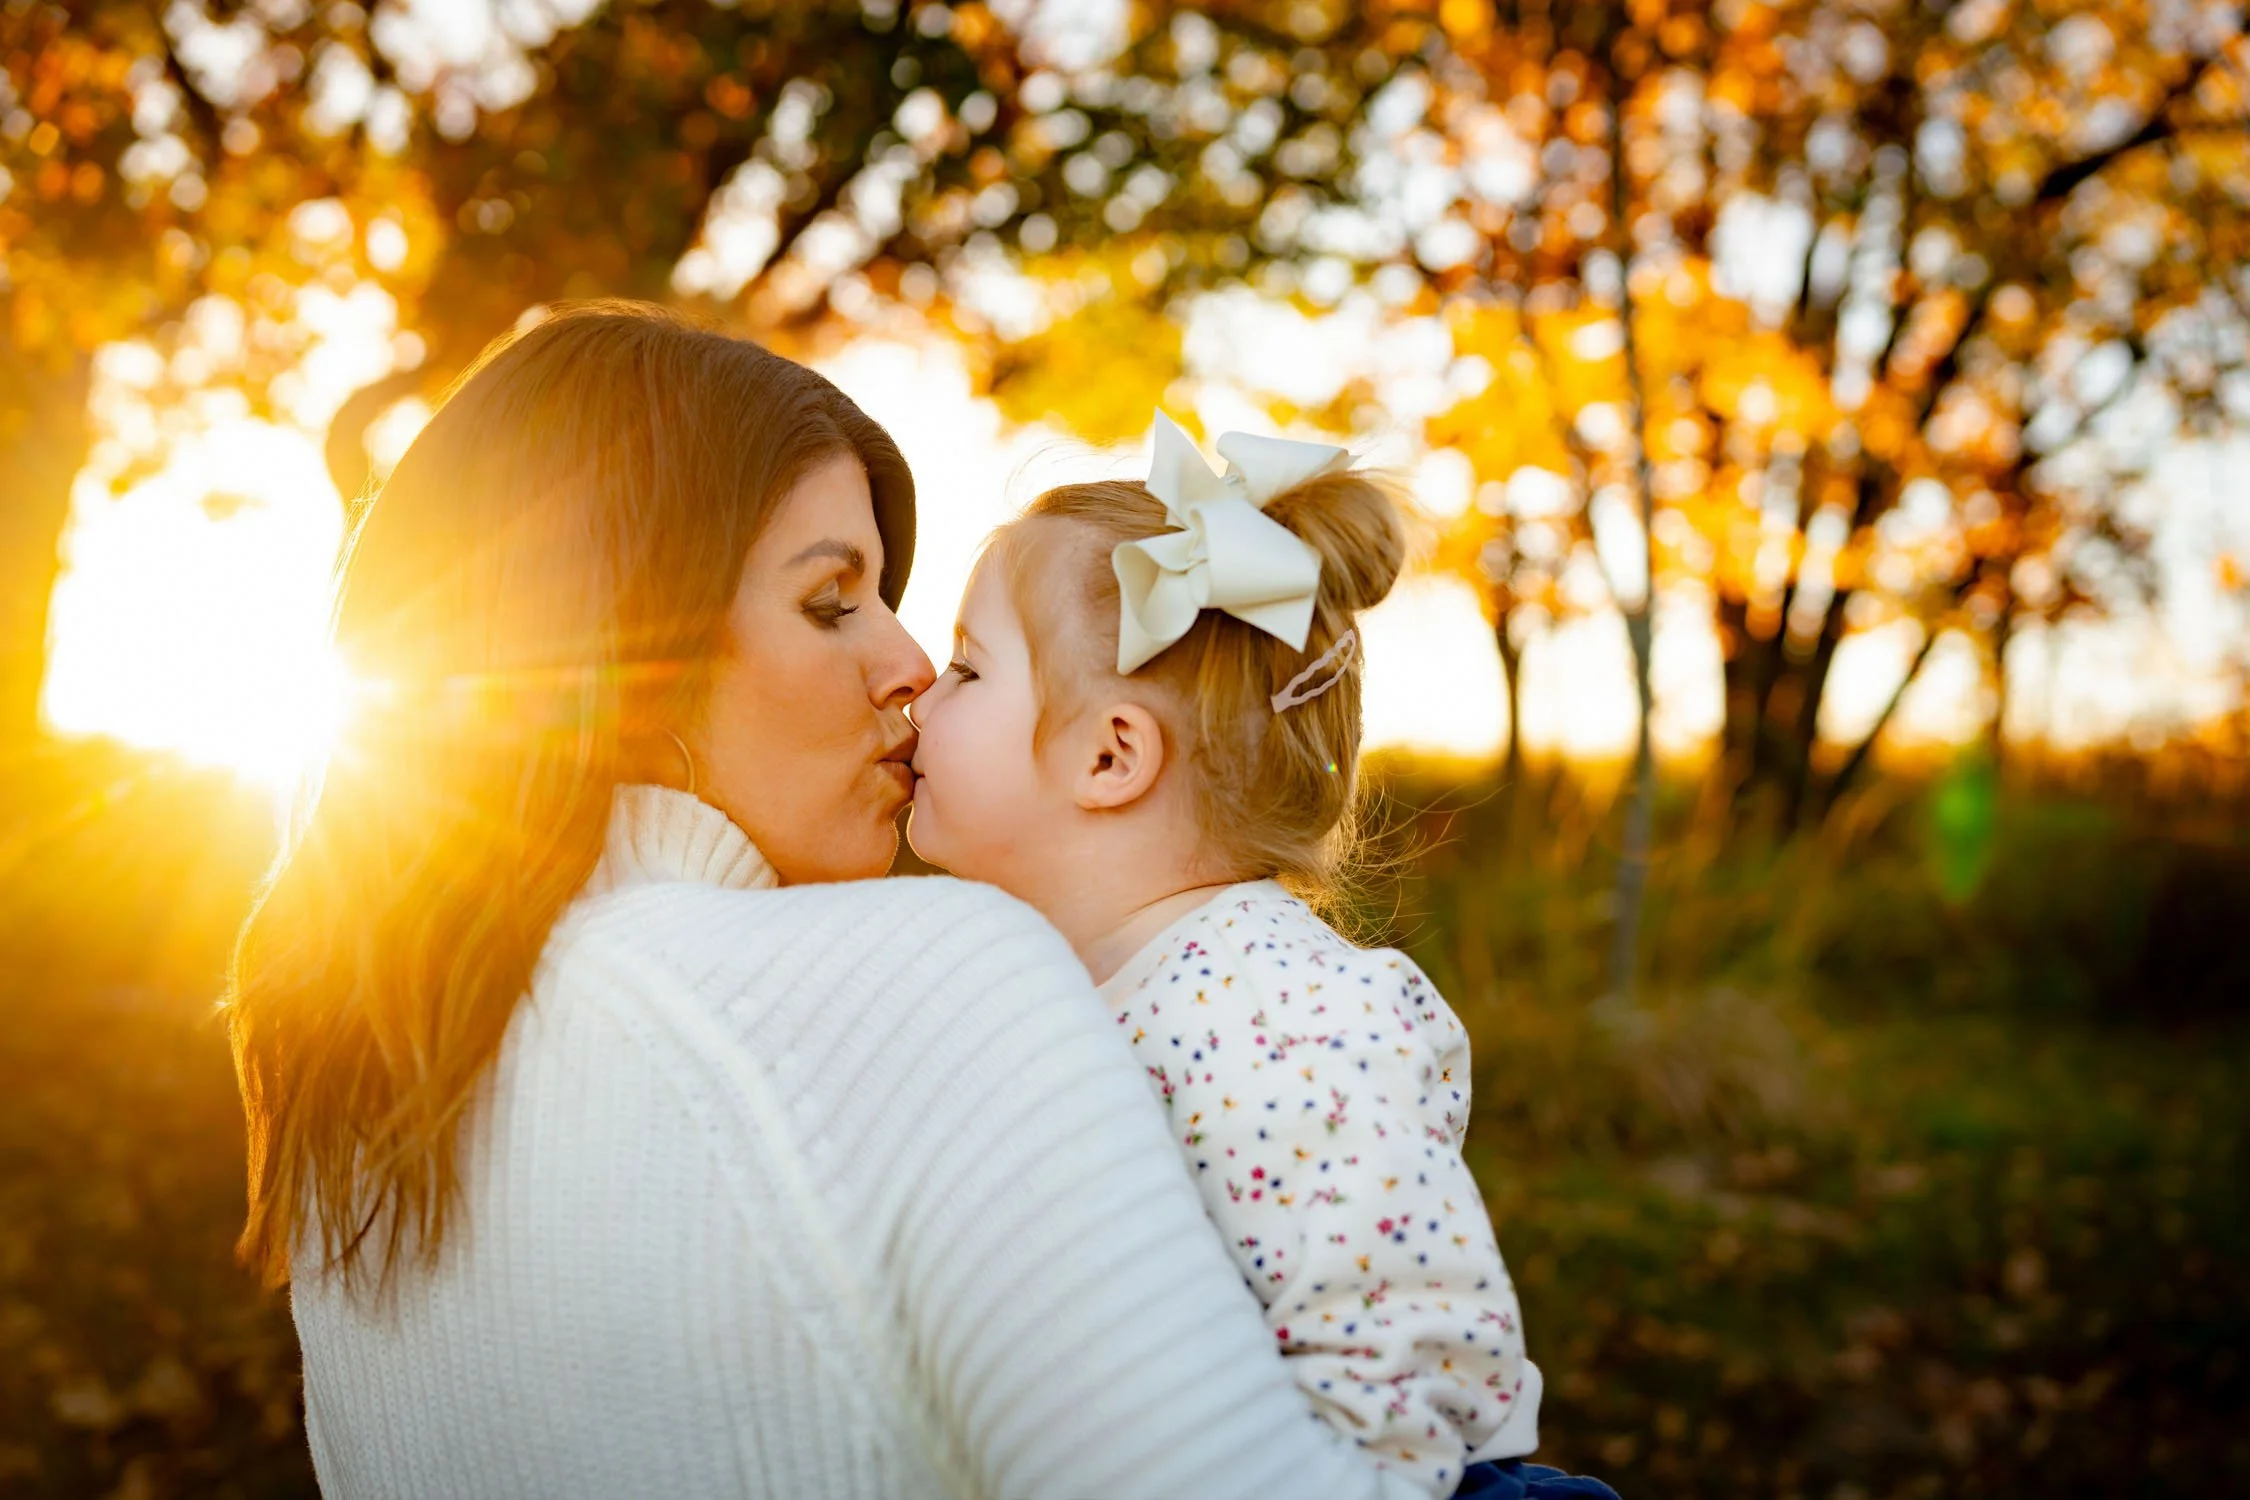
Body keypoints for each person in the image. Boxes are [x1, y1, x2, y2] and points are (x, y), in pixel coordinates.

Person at [228, 303, 1424, 1500]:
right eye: (829, 602)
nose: (908, 666)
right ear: (617, 651)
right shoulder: (933, 975)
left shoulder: (360, 1103)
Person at [906, 415, 1614, 1500]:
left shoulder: (1275, 1009)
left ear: (1109, 755)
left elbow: (1401, 1362)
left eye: (965, 668)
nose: (918, 691)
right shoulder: (1080, 980)